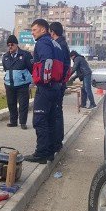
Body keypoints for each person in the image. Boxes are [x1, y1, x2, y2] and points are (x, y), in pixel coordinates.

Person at [25, 19, 66, 164]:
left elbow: (47, 61)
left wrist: (44, 80)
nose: (32, 33)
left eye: (34, 30)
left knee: (40, 120)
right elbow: (66, 66)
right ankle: (49, 152)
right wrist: (59, 83)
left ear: (43, 30)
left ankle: (41, 153)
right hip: (56, 86)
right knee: (50, 120)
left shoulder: (42, 43)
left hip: (46, 87)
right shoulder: (57, 44)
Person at [2, 34, 33, 129]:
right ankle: (13, 121)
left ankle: (23, 123)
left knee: (23, 104)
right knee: (11, 104)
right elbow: (5, 69)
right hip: (9, 84)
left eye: (12, 44)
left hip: (22, 85)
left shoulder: (25, 55)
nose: (10, 47)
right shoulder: (5, 56)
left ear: (16, 44)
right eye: (8, 45)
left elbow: (31, 68)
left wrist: (30, 81)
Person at [49, 22, 71, 154]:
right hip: (61, 83)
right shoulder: (63, 44)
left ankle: (57, 142)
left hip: (58, 83)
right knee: (58, 112)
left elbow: (60, 66)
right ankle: (57, 141)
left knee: (56, 113)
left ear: (52, 32)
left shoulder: (59, 45)